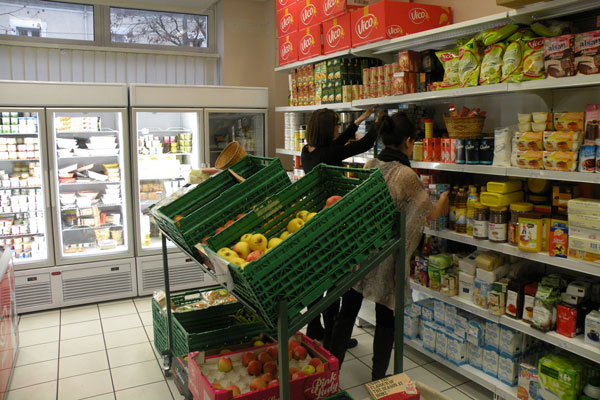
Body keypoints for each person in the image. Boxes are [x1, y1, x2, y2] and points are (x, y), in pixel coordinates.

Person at [329, 111, 449, 381]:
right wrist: (443, 200)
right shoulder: (406, 174)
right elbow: (427, 214)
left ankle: (330, 372)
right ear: (408, 141)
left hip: (360, 250)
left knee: (347, 310)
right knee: (386, 316)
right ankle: (378, 378)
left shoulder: (371, 164)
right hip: (385, 256)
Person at [302, 105, 379, 350]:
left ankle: (315, 327)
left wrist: (358, 121)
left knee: (316, 279)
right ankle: (333, 335)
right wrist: (381, 123)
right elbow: (361, 146)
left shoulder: (308, 151)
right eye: (336, 124)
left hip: (313, 219)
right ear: (327, 129)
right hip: (330, 223)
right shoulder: (328, 155)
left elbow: (337, 144)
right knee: (334, 280)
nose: (338, 128)